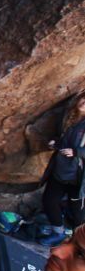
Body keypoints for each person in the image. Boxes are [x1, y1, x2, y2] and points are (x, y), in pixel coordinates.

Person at [39, 92, 85, 246]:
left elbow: (76, 148)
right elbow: (64, 140)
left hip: (79, 178)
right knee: (49, 200)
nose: (84, 102)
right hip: (61, 170)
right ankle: (58, 233)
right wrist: (55, 143)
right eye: (84, 98)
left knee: (78, 212)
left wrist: (77, 152)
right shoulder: (69, 117)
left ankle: (79, 242)